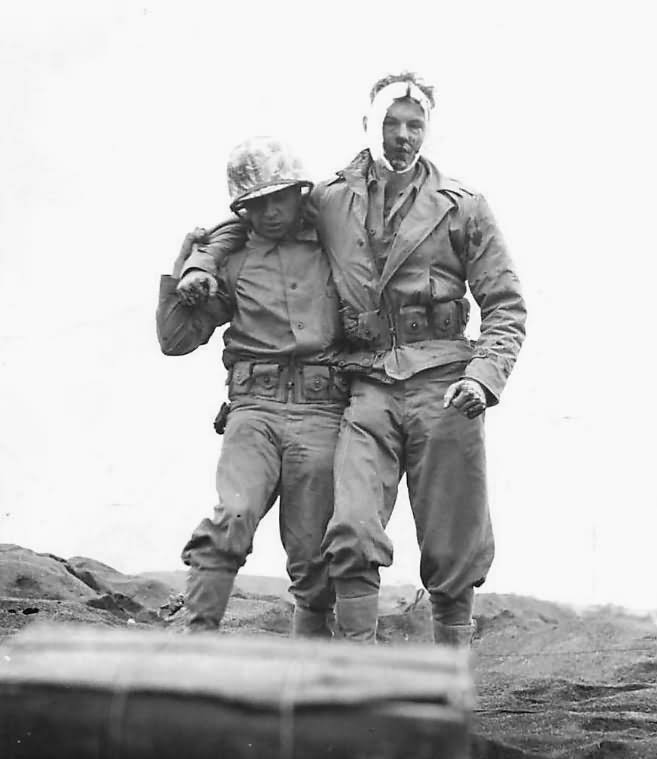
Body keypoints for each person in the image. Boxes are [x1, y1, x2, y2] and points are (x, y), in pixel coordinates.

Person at [179, 73, 526, 647]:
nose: (404, 137)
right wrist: (199, 262)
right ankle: (354, 668)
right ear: (369, 125)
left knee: (453, 533)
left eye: (416, 125)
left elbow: (506, 304)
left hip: (444, 381)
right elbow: (252, 222)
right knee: (350, 524)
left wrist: (484, 376)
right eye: (391, 123)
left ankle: (450, 672)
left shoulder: (463, 207)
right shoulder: (330, 199)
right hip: (366, 384)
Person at [157, 137, 347, 636]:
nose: (270, 211)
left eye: (279, 197)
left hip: (322, 411)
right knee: (233, 516)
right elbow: (175, 341)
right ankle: (198, 646)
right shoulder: (234, 262)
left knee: (312, 550)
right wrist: (186, 267)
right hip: (254, 411)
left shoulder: (336, 252)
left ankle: (311, 678)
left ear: (300, 194)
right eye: (255, 203)